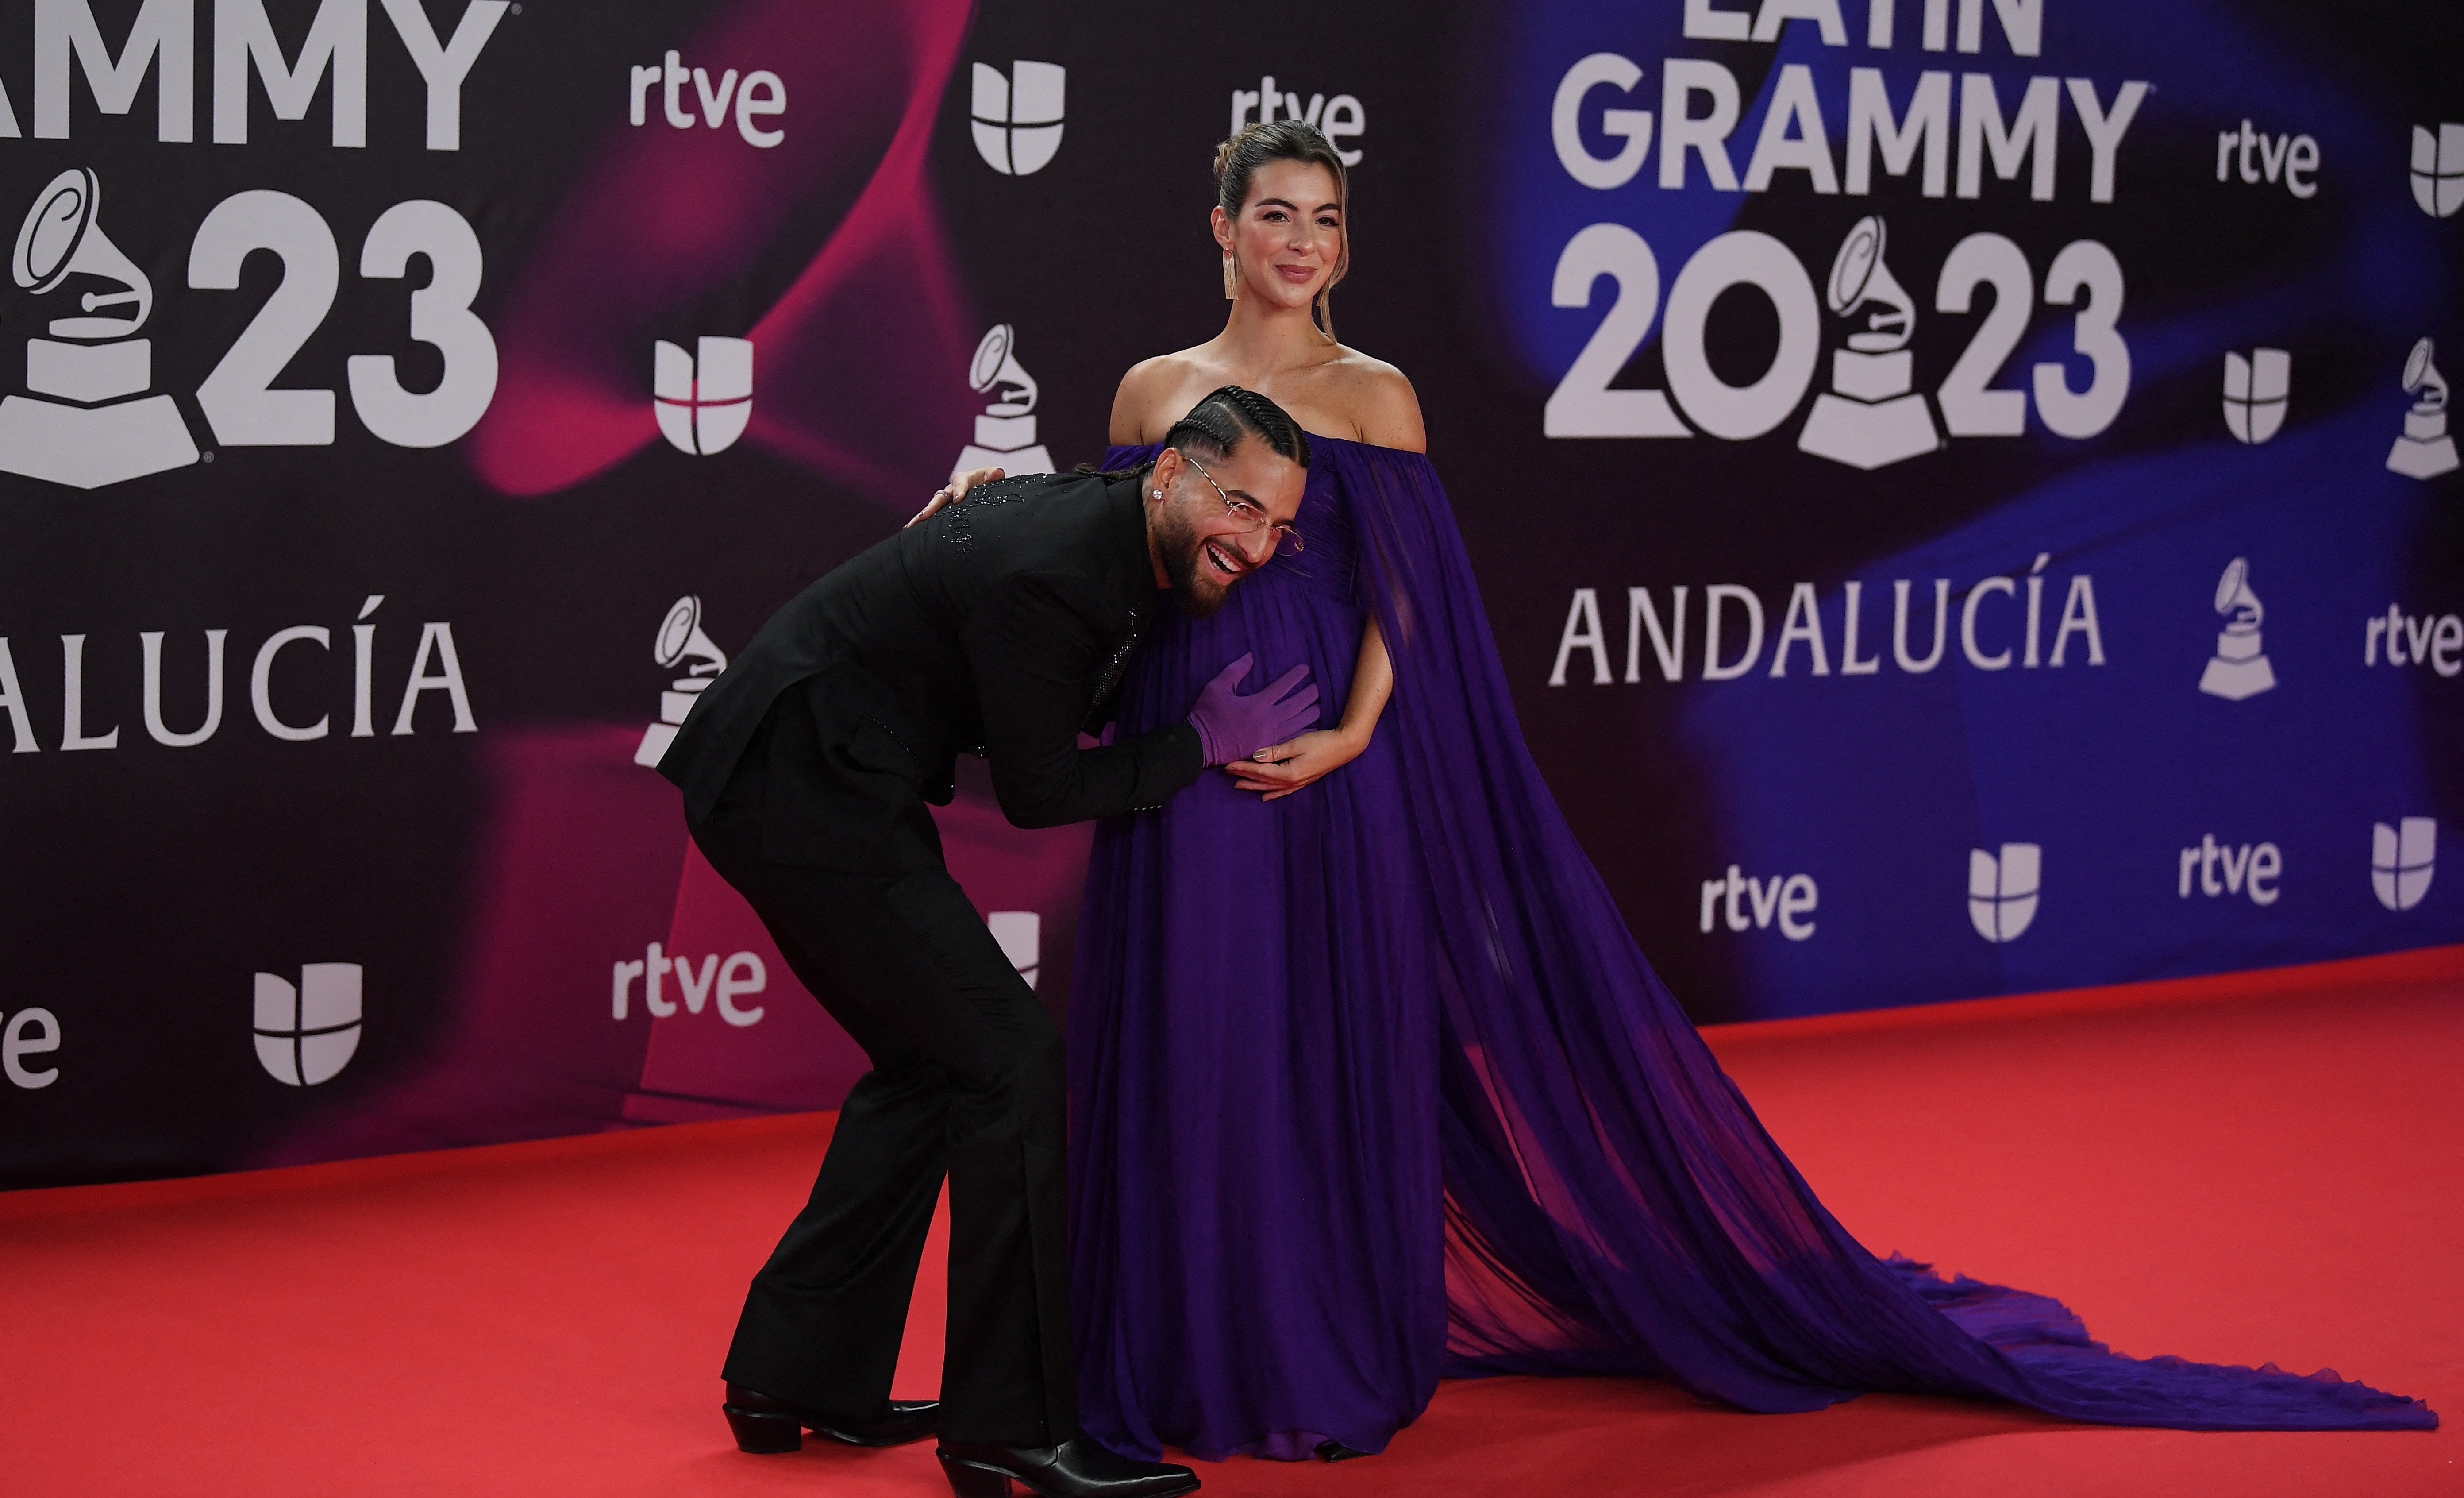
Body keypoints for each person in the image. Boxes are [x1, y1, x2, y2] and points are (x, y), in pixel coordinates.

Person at [937, 118, 2438, 1463]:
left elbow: (1414, 601)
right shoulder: (1154, 386)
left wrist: (1345, 737)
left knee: (1311, 1053)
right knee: (1185, 1043)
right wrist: (997, 515)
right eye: (1274, 213)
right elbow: (1115, 553)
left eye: (1323, 218)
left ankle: (1303, 1357)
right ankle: (1170, 1360)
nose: (1301, 243)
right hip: (1174, 758)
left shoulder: (1372, 395)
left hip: (1319, 772)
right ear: (1219, 225)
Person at [658, 394, 1324, 1498]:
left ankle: (796, 1378)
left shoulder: (1108, 523)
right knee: (1011, 1059)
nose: (1253, 545)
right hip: (798, 785)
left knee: (937, 1066)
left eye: (1277, 528)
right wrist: (1198, 744)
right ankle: (1012, 1430)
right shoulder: (1057, 572)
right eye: (1239, 504)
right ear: (1168, 473)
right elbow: (1041, 791)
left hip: (812, 772)